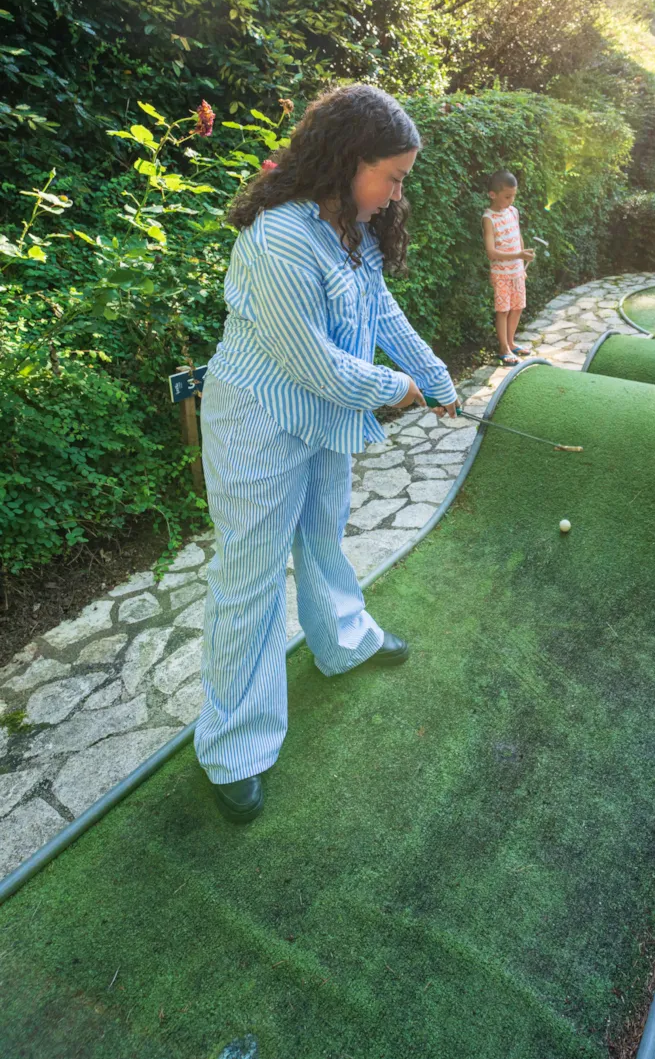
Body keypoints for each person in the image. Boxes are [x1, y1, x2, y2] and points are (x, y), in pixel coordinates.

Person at [195, 84, 459, 823]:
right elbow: (321, 368)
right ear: (349, 160)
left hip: (323, 423)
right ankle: (234, 748)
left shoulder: (353, 224)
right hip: (259, 422)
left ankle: (342, 638)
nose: (397, 191)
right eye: (393, 176)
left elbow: (380, 310)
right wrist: (399, 387)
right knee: (248, 578)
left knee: (323, 537)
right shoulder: (279, 239)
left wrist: (437, 378)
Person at [482, 170, 535, 366]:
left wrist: (522, 262)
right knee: (503, 311)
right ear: (492, 194)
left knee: (517, 307)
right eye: (507, 196)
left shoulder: (513, 212)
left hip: (516, 271)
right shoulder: (489, 218)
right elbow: (491, 252)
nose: (511, 200)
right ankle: (503, 348)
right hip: (501, 275)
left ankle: (511, 343)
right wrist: (518, 256)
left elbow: (518, 237)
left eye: (513, 196)